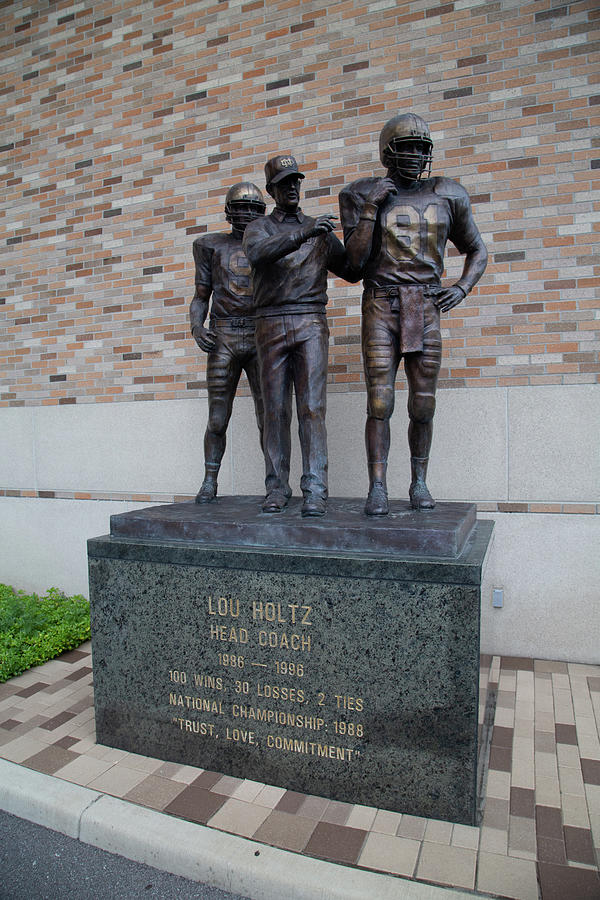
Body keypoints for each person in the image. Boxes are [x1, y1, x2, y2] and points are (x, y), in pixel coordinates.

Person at [339, 113, 488, 515]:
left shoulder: (448, 192)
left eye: (421, 147)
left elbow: (477, 249)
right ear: (388, 151)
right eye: (407, 147)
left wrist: (461, 287)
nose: (416, 154)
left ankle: (419, 481)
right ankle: (378, 486)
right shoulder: (360, 192)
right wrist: (371, 209)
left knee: (423, 403)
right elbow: (352, 265)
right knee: (380, 401)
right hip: (381, 303)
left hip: (425, 304)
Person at [243, 155, 357, 517]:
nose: (292, 187)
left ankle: (316, 490)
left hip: (310, 322)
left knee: (312, 408)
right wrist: (305, 233)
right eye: (284, 182)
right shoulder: (259, 228)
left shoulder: (319, 229)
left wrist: (366, 222)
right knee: (275, 409)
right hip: (271, 322)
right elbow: (258, 255)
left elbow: (352, 270)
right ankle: (276, 488)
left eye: (296, 181)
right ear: (272, 189)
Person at [189, 182, 266, 503]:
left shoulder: (270, 242)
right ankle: (210, 479)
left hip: (263, 334)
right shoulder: (210, 246)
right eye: (241, 207)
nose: (246, 214)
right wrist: (196, 326)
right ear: (228, 211)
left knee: (271, 417)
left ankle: (274, 484)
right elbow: (200, 296)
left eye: (253, 208)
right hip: (225, 336)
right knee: (218, 416)